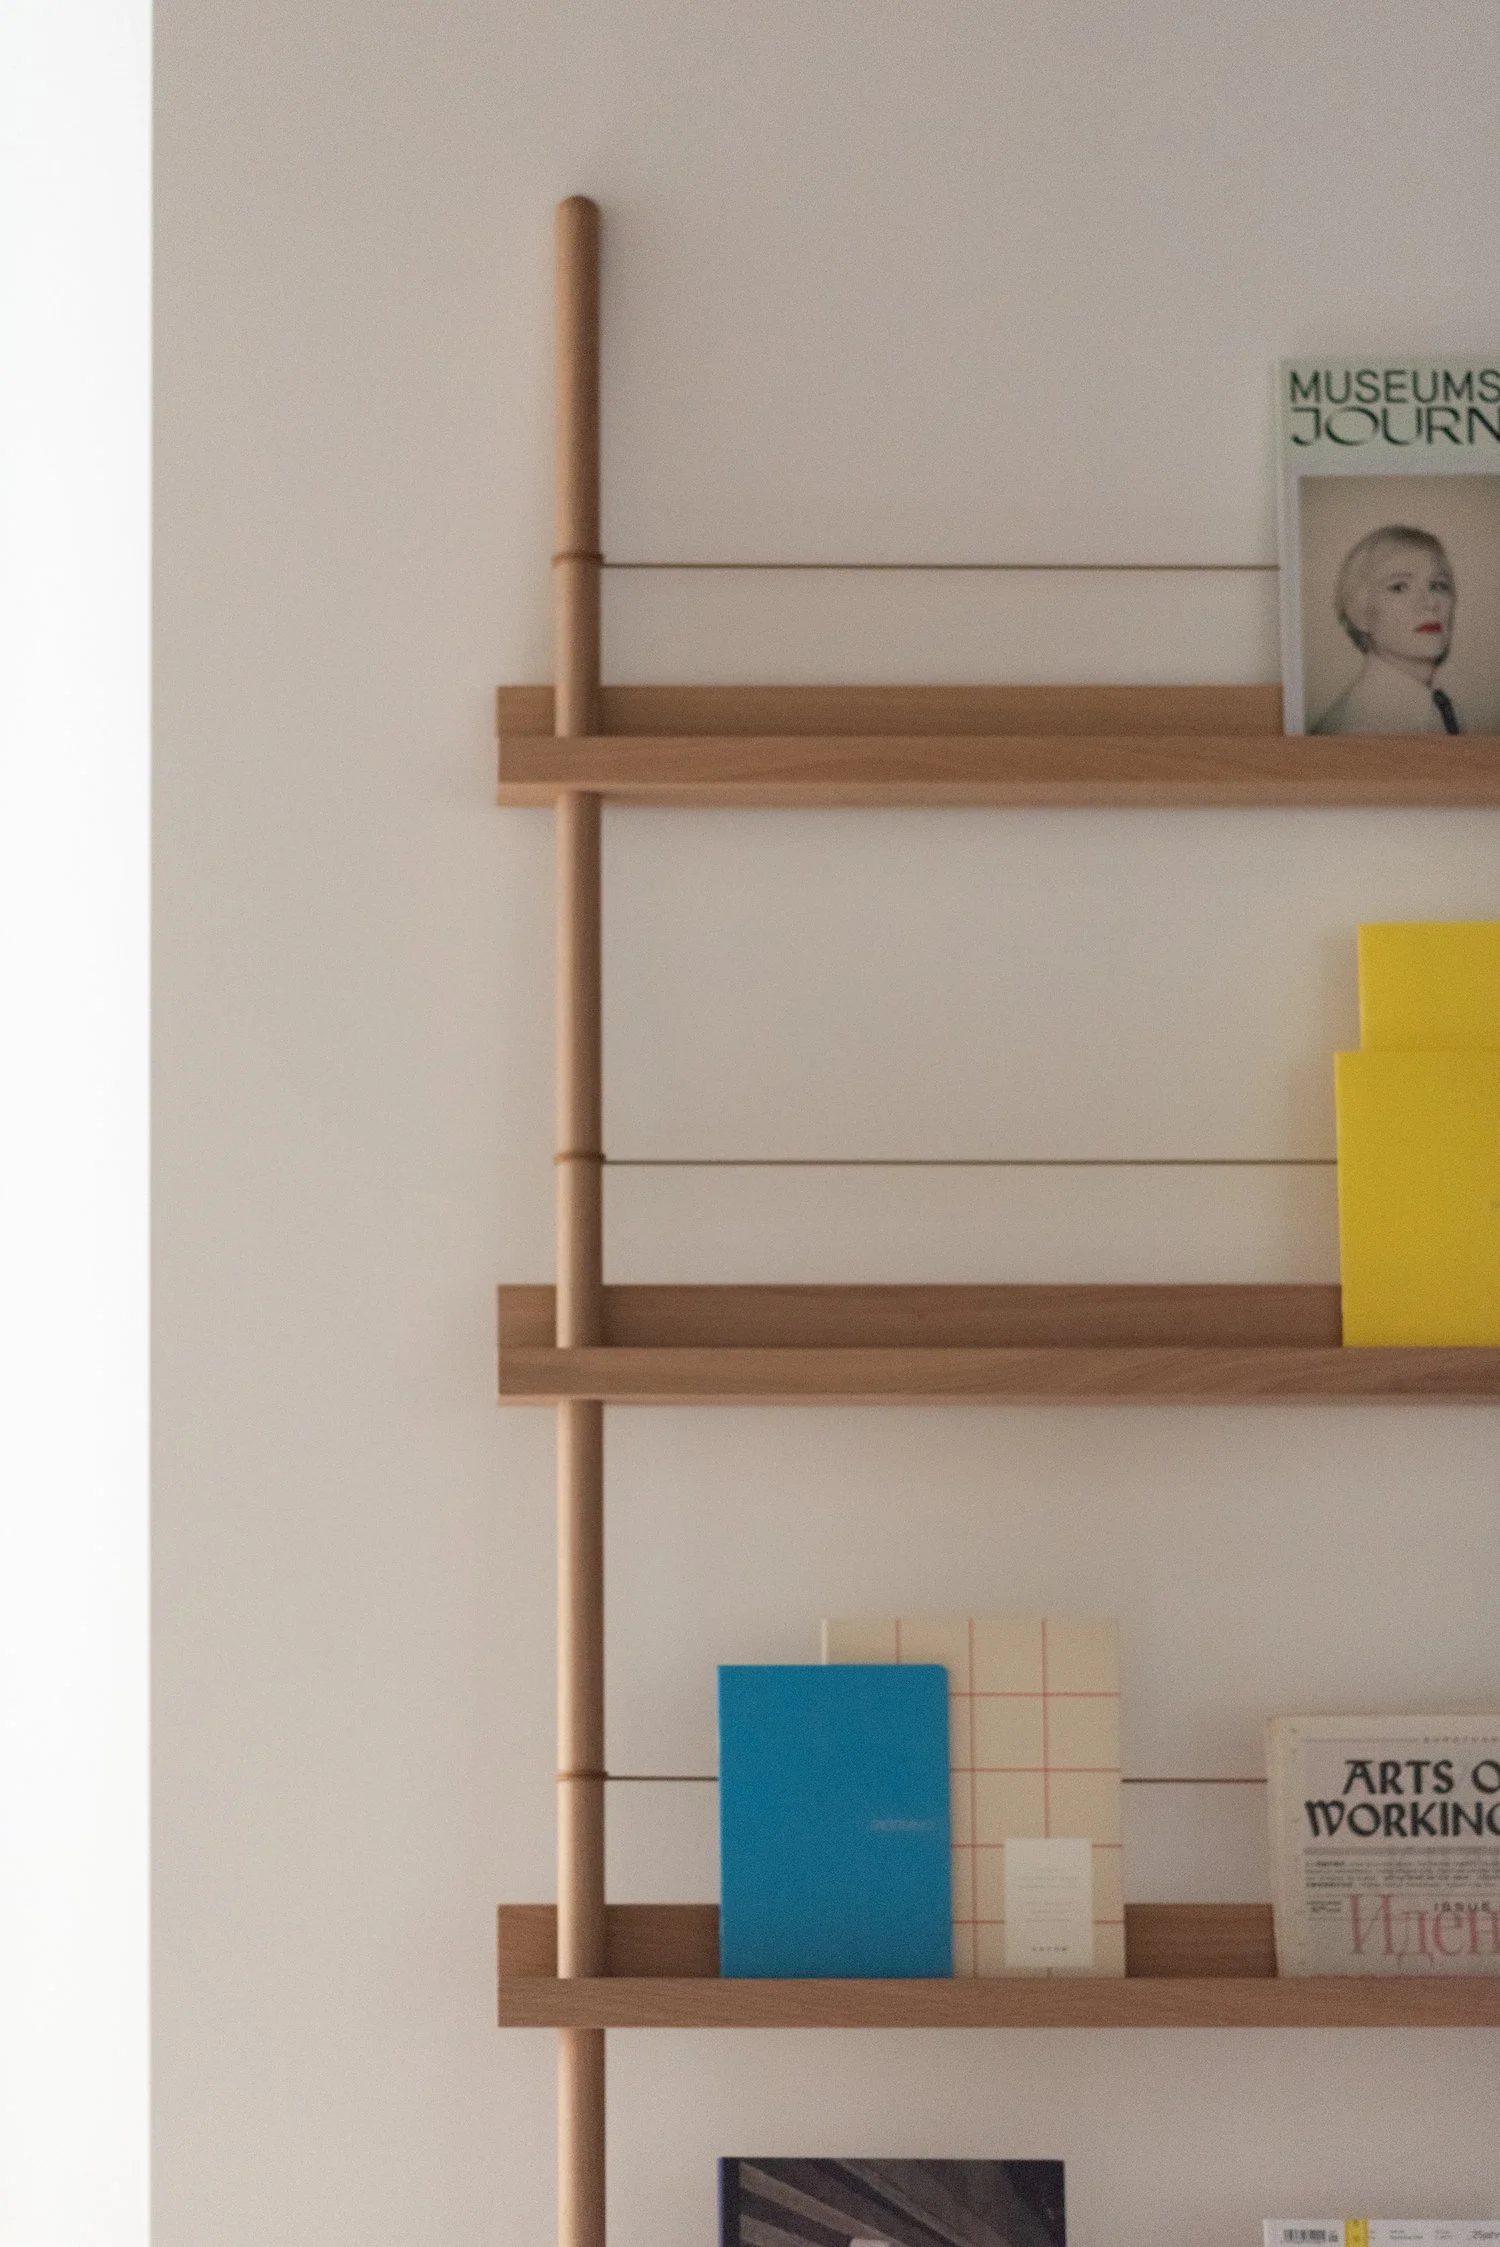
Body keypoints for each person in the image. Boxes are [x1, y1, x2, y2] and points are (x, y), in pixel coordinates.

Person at [1311, 524, 1461, 734]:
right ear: (1360, 614)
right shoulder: (1359, 726)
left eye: (1438, 586)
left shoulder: (1432, 706)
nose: (1430, 603)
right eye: (1399, 587)